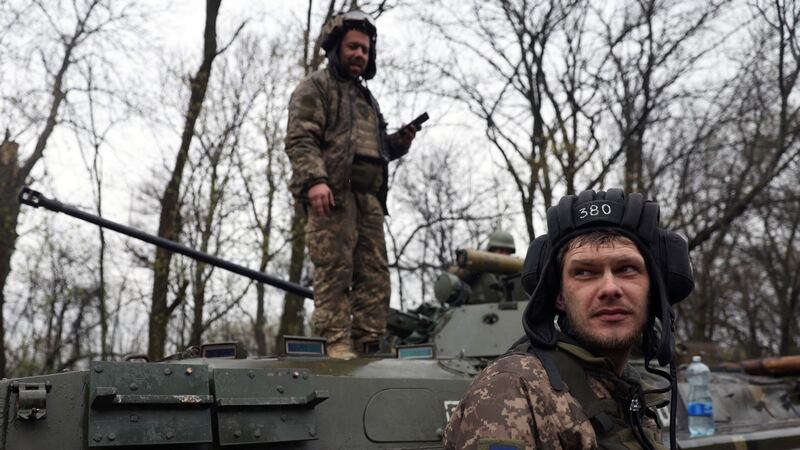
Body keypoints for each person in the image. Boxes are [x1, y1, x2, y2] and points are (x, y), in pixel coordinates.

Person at [444, 189, 695, 450]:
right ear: (559, 296)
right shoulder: (514, 391)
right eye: (585, 272)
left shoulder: (626, 387)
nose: (610, 288)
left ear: (654, 289)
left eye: (627, 269)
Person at [285, 10, 416, 359]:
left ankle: (369, 346)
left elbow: (373, 149)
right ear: (336, 47)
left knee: (375, 277)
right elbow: (301, 139)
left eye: (365, 50)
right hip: (332, 197)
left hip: (369, 202)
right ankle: (335, 347)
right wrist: (315, 180)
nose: (360, 54)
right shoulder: (316, 87)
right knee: (334, 274)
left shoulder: (367, 100)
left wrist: (398, 143)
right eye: (353, 47)